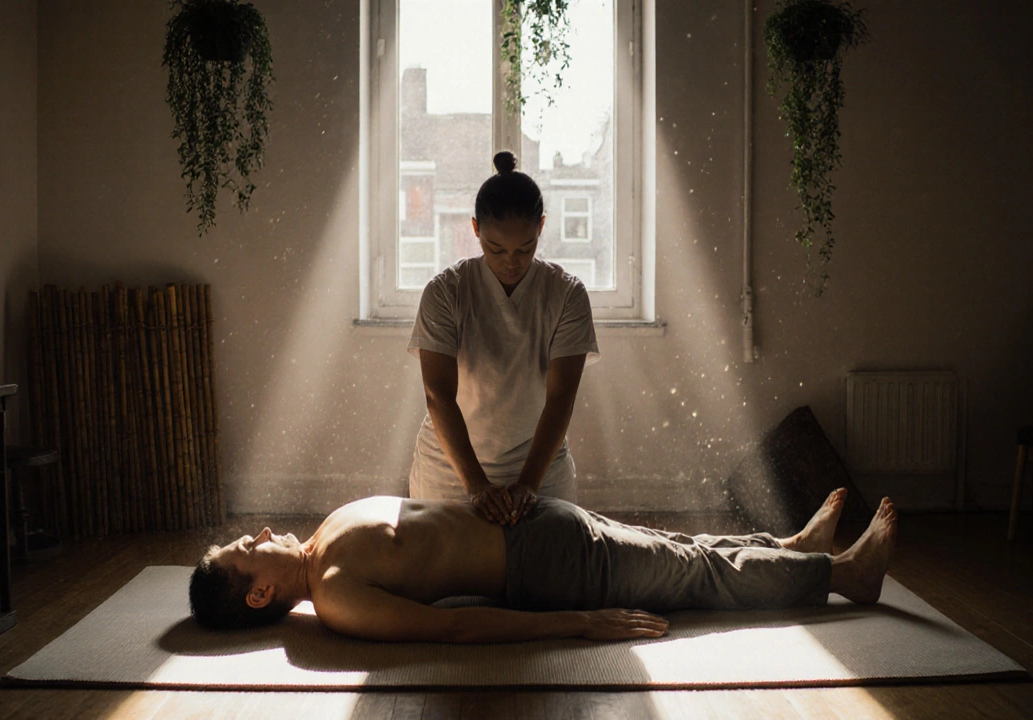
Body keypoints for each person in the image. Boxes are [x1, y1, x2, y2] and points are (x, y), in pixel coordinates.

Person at [189, 489, 898, 643]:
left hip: (540, 522)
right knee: (695, 578)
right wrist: (582, 622)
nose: (256, 535)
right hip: (553, 570)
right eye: (246, 552)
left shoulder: (323, 536)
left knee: (678, 549)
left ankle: (788, 550)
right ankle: (842, 577)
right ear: (259, 596)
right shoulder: (340, 596)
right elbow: (457, 631)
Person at [407, 150, 598, 526]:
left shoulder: (567, 295)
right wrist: (476, 485)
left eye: (525, 248)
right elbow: (438, 395)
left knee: (548, 579)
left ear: (541, 227)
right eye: (496, 249)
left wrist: (528, 484)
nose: (511, 261)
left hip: (541, 471)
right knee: (447, 582)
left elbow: (560, 399)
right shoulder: (446, 292)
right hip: (450, 471)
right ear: (475, 229)